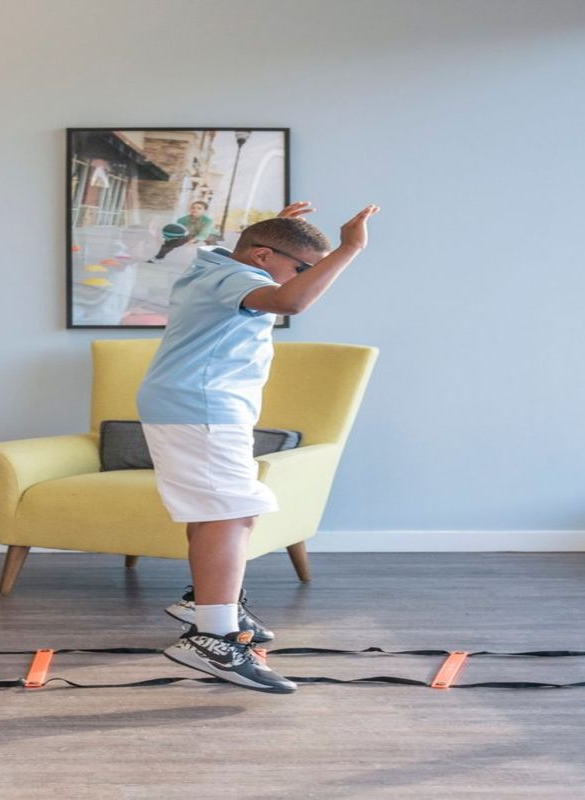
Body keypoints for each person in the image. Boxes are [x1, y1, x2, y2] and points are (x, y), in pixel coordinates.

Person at [137, 200, 380, 693]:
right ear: (263, 256)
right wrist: (349, 249)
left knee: (217, 511)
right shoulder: (233, 277)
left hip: (195, 404)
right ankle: (213, 637)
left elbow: (271, 269)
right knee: (232, 512)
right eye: (302, 268)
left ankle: (207, 605)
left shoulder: (219, 269)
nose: (301, 278)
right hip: (201, 406)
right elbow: (291, 302)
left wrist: (279, 236)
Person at [148, 200, 216, 262]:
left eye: (199, 208)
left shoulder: (208, 221)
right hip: (190, 234)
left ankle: (214, 258)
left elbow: (204, 233)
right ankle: (159, 257)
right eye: (193, 208)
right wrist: (170, 238)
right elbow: (178, 230)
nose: (195, 210)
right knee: (170, 242)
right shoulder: (182, 220)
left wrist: (193, 240)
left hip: (206, 235)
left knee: (212, 240)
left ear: (205, 211)